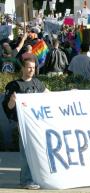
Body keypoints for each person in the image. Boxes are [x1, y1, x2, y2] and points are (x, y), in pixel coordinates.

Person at [2, 58, 49, 190]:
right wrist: (12, 100)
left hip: (38, 126)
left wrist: (70, 95)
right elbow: (8, 107)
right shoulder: (14, 85)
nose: (31, 70)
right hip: (23, 126)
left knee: (39, 153)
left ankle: (38, 178)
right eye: (29, 67)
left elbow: (50, 96)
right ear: (22, 68)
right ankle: (26, 180)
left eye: (33, 68)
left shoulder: (38, 83)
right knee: (26, 154)